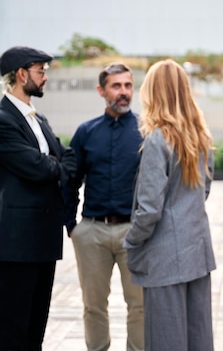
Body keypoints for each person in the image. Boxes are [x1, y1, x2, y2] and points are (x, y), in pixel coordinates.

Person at [123, 59, 216, 351]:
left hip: (164, 257)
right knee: (198, 338)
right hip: (197, 251)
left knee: (165, 341)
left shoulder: (156, 139)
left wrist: (131, 240)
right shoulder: (201, 136)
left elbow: (149, 209)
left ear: (153, 92)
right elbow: (205, 190)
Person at [0, 46, 77, 350]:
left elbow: (66, 156)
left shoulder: (39, 119)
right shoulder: (4, 120)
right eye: (40, 71)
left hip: (44, 240)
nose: (45, 77)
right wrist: (57, 167)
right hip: (16, 244)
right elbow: (37, 167)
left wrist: (57, 167)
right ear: (21, 74)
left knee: (36, 327)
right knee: (11, 329)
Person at [64, 63, 144, 351]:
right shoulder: (85, 132)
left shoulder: (146, 131)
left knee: (140, 306)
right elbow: (70, 180)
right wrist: (72, 226)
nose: (123, 92)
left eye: (127, 85)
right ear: (101, 90)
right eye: (116, 86)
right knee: (93, 306)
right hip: (92, 232)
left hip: (134, 233)